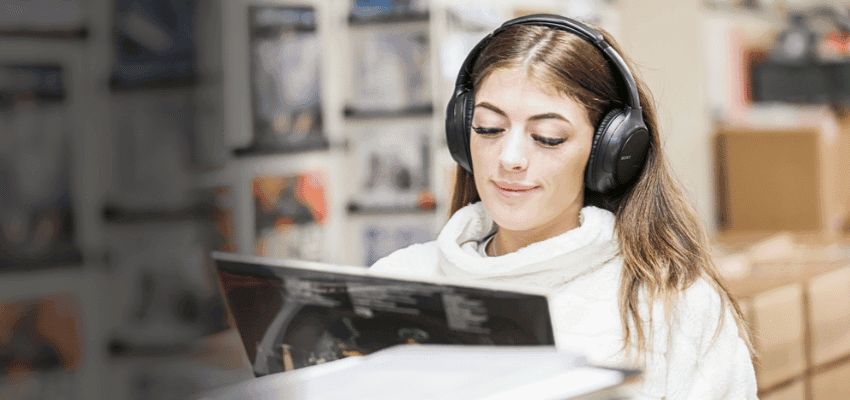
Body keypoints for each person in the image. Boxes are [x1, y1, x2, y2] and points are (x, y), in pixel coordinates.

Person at [369, 14, 758, 399]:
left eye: (547, 137)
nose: (510, 157)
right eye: (489, 128)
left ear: (610, 152)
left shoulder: (674, 305)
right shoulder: (395, 282)